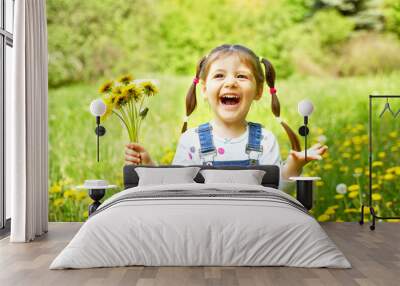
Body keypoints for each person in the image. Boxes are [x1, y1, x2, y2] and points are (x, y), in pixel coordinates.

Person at [125, 44, 327, 190]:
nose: (230, 83)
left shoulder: (265, 140)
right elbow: (177, 188)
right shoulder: (191, 140)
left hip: (253, 226)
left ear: (258, 91)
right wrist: (150, 166)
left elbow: (276, 190)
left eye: (241, 76)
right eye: (219, 76)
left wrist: (294, 166)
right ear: (204, 89)